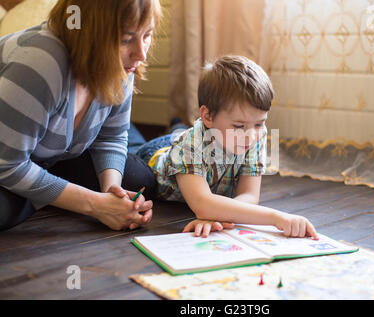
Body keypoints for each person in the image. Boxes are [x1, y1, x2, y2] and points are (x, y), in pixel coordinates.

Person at [0, 0, 162, 231]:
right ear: (89, 33)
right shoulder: (40, 60)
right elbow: (7, 163)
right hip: (7, 159)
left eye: (147, 35)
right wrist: (95, 205)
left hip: (51, 160)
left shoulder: (124, 64)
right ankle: (50, 195)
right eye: (126, 39)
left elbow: (112, 136)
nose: (141, 54)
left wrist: (112, 194)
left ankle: (44, 194)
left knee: (140, 180)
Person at [135, 55, 319, 239]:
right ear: (207, 116)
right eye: (239, 126)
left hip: (193, 139)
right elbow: (203, 204)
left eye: (259, 123)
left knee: (180, 131)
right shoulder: (190, 145)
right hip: (153, 156)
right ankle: (174, 127)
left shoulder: (254, 136)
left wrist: (219, 214)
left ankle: (178, 124)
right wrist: (276, 218)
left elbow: (249, 196)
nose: (252, 135)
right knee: (132, 151)